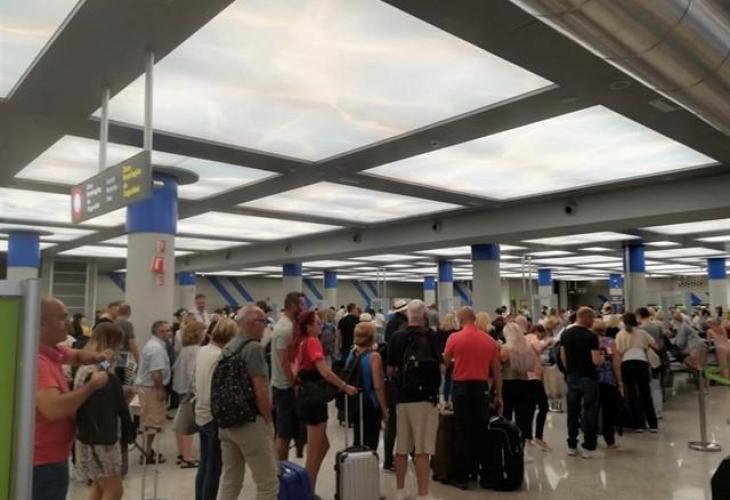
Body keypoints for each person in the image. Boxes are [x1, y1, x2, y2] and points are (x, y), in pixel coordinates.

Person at [33, 297, 113, 500]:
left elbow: (76, 356)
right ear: (41, 323)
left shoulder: (53, 351)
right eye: (61, 318)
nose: (68, 323)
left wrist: (97, 357)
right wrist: (92, 386)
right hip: (43, 462)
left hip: (55, 455)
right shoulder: (39, 363)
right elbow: (54, 409)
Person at [218, 306, 280, 500]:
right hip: (250, 423)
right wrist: (269, 421)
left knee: (231, 479)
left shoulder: (229, 347)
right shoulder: (253, 349)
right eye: (264, 322)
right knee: (268, 483)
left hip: (228, 421)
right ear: (253, 324)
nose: (265, 327)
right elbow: (260, 390)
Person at [293, 311, 358, 494]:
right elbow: (325, 372)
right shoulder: (312, 342)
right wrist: (344, 385)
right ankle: (306, 493)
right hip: (314, 401)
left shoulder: (301, 342)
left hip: (308, 398)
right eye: (317, 323)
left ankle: (309, 489)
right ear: (308, 327)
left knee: (323, 445)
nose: (320, 325)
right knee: (314, 452)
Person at [387, 300, 443, 500]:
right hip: (426, 399)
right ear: (424, 316)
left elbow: (390, 369)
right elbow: (441, 367)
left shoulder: (396, 337)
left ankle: (400, 490)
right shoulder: (431, 336)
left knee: (401, 448)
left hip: (403, 398)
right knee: (422, 450)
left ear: (407, 315)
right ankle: (423, 493)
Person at [74, 322, 134, 500]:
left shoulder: (88, 367)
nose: (120, 349)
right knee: (114, 490)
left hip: (91, 434)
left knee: (99, 487)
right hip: (101, 436)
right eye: (118, 344)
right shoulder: (96, 371)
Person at [443, 307, 501, 490]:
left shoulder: (454, 338)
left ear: (461, 320)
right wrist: (499, 395)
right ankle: (485, 475)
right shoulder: (489, 340)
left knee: (462, 431)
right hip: (481, 388)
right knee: (482, 430)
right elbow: (497, 371)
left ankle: (461, 476)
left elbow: (445, 362)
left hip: (461, 387)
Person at [194, 319, 237, 500]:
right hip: (213, 417)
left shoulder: (202, 351)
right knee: (214, 468)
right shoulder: (220, 356)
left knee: (204, 464)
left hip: (200, 413)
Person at [560, 307, 602, 458]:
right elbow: (595, 360)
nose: (593, 321)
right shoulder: (591, 336)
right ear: (586, 317)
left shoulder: (565, 334)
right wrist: (602, 358)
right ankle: (589, 446)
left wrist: (568, 371)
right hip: (589, 377)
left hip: (572, 376)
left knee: (573, 411)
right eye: (592, 318)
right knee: (589, 411)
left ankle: (572, 444)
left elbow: (563, 356)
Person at [271, 291, 306, 460]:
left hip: (283, 385)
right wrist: (293, 382)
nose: (304, 308)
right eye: (301, 304)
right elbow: (284, 361)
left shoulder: (287, 325)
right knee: (284, 433)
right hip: (285, 387)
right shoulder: (285, 329)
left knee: (286, 430)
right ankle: (281, 468)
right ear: (292, 306)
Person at [345, 321, 388, 450]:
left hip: (355, 401)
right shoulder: (374, 357)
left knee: (358, 438)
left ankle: (356, 461)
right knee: (370, 441)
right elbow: (378, 386)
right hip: (370, 403)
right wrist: (384, 409)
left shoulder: (352, 354)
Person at [134, 320, 173, 463]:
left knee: (150, 421)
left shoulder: (155, 345)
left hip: (148, 387)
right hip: (151, 388)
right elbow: (156, 373)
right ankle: (147, 453)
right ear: (156, 332)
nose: (168, 333)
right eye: (164, 331)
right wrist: (160, 390)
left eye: (168, 330)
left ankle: (148, 450)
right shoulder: (156, 349)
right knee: (152, 422)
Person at [616, 312, 658, 433]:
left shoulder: (620, 334)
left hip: (627, 363)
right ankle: (653, 424)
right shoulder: (642, 332)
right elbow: (655, 345)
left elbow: (618, 351)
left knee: (632, 395)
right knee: (646, 393)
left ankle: (638, 424)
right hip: (641, 363)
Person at [500, 322, 538, 445]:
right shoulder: (527, 349)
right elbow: (532, 366)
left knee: (506, 415)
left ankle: (508, 443)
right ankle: (521, 444)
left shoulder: (506, 349)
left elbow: (499, 362)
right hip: (524, 383)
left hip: (508, 382)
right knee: (522, 417)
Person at [382, 298, 408, 471]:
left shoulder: (390, 325)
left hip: (391, 379)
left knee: (392, 422)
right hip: (402, 381)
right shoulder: (403, 328)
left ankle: (388, 458)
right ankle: (404, 455)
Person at [173, 320, 204, 467]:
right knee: (188, 425)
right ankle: (188, 457)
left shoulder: (185, 349)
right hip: (189, 391)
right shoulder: (195, 351)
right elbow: (192, 373)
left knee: (180, 423)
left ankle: (181, 453)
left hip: (181, 389)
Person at [592, 319, 622, 448]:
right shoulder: (609, 342)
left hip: (592, 379)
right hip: (608, 379)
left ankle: (591, 439)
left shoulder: (589, 342)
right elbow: (616, 362)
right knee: (608, 411)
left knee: (592, 410)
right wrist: (619, 380)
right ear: (605, 330)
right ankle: (610, 440)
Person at [525, 324, 553, 450]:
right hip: (533, 377)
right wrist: (548, 342)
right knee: (543, 406)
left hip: (526, 376)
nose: (541, 337)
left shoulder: (524, 338)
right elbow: (538, 348)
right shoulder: (532, 337)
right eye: (541, 334)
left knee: (530, 407)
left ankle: (528, 436)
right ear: (537, 331)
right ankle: (538, 437)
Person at [637, 307, 666, 419]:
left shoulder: (640, 330)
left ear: (639, 316)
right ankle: (658, 411)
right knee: (656, 385)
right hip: (656, 359)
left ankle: (647, 411)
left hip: (645, 359)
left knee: (645, 386)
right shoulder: (658, 327)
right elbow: (661, 345)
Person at [436, 312, 459, 407]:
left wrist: (440, 361)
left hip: (445, 356)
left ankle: (445, 400)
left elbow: (438, 347)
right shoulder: (457, 331)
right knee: (455, 380)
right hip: (456, 357)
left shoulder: (440, 332)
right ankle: (453, 400)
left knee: (447, 379)